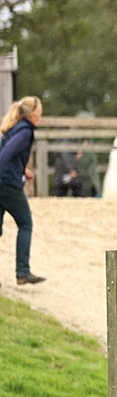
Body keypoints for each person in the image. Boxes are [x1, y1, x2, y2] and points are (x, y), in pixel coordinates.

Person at [0, 96, 47, 285]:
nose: (40, 117)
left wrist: (22, 170)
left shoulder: (14, 128)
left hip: (3, 180)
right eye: (40, 113)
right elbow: (5, 154)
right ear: (32, 114)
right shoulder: (25, 131)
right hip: (7, 184)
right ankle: (23, 271)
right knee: (25, 224)